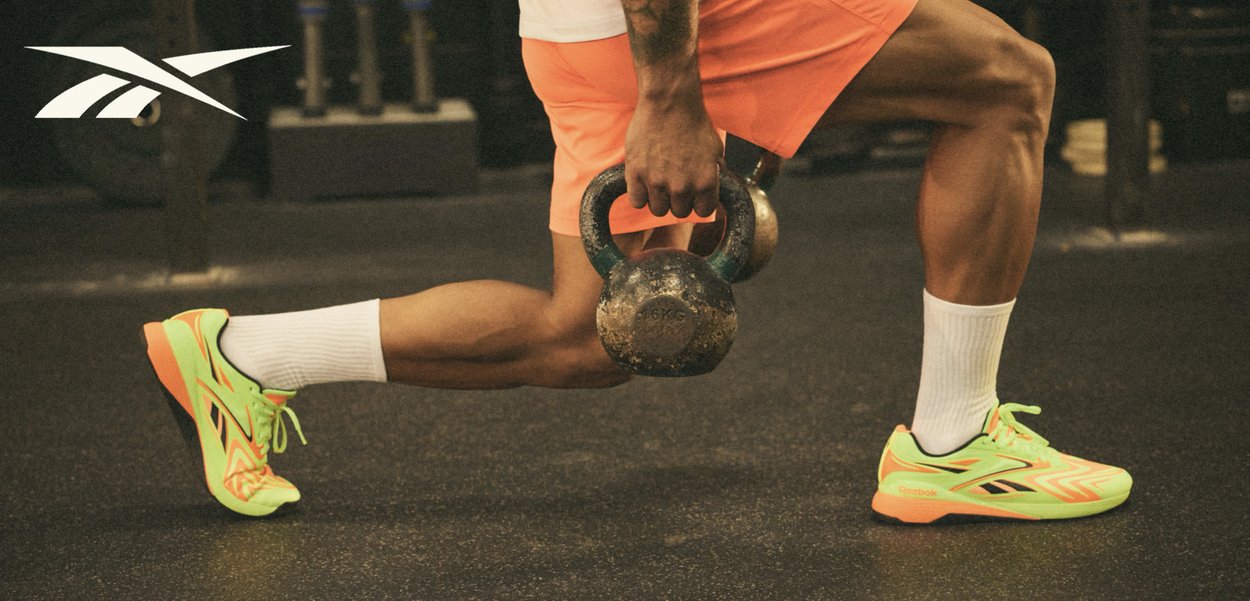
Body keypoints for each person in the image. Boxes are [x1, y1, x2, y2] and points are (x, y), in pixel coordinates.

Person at [143, 0, 1131, 521]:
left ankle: (243, 356)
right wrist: (666, 92)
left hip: (586, 30)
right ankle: (954, 444)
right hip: (661, 26)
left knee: (584, 335)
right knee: (1006, 80)